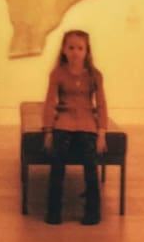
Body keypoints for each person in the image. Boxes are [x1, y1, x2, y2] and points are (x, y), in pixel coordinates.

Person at [41, 29, 108, 225]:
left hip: (87, 125)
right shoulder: (57, 74)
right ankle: (54, 211)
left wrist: (102, 132)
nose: (75, 53)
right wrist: (48, 130)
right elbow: (50, 103)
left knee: (90, 165)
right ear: (63, 50)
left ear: (87, 51)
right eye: (71, 48)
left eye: (80, 48)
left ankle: (93, 212)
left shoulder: (95, 76)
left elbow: (101, 104)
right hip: (64, 123)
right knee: (57, 163)